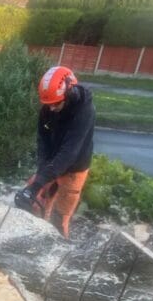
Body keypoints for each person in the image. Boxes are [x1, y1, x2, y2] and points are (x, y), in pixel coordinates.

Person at [14, 66, 95, 238]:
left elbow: (69, 153)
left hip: (74, 168)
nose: (51, 109)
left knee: (59, 218)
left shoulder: (84, 111)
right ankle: (37, 236)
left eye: (55, 104)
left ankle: (58, 250)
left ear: (70, 93)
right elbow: (42, 141)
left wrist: (37, 184)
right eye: (48, 104)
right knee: (37, 204)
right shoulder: (49, 108)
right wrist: (41, 172)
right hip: (53, 162)